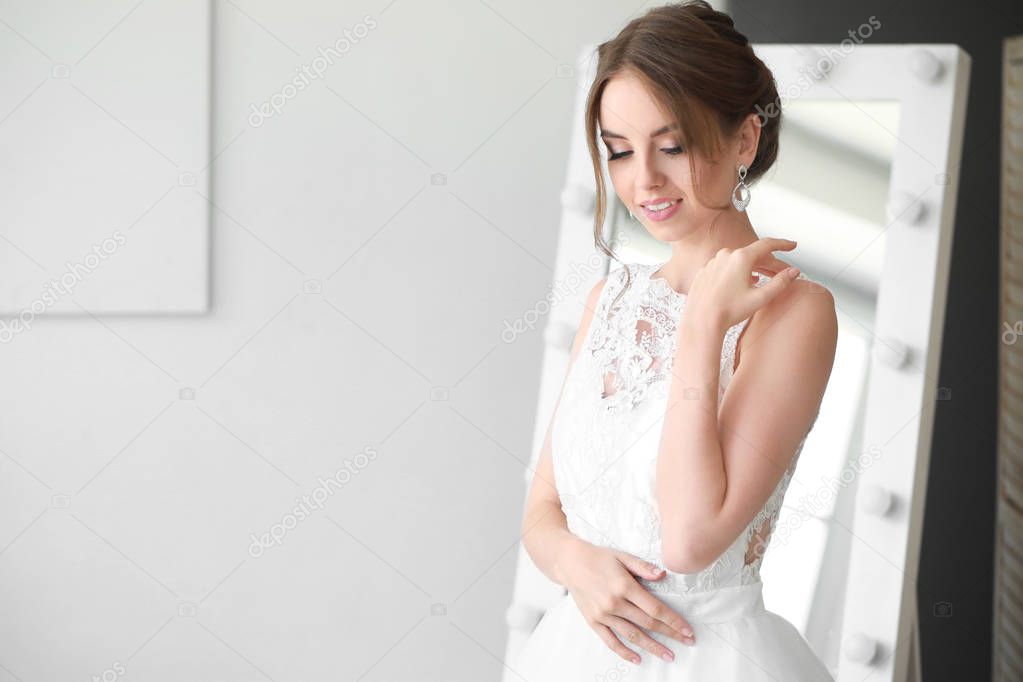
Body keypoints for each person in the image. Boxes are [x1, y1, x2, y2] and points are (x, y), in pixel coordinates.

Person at [515, 2, 838, 679]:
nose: (643, 182)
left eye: (672, 145)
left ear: (745, 141)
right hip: (574, 653)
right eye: (619, 151)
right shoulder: (609, 301)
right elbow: (541, 512)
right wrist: (580, 567)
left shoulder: (794, 313)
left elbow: (689, 540)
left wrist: (701, 326)